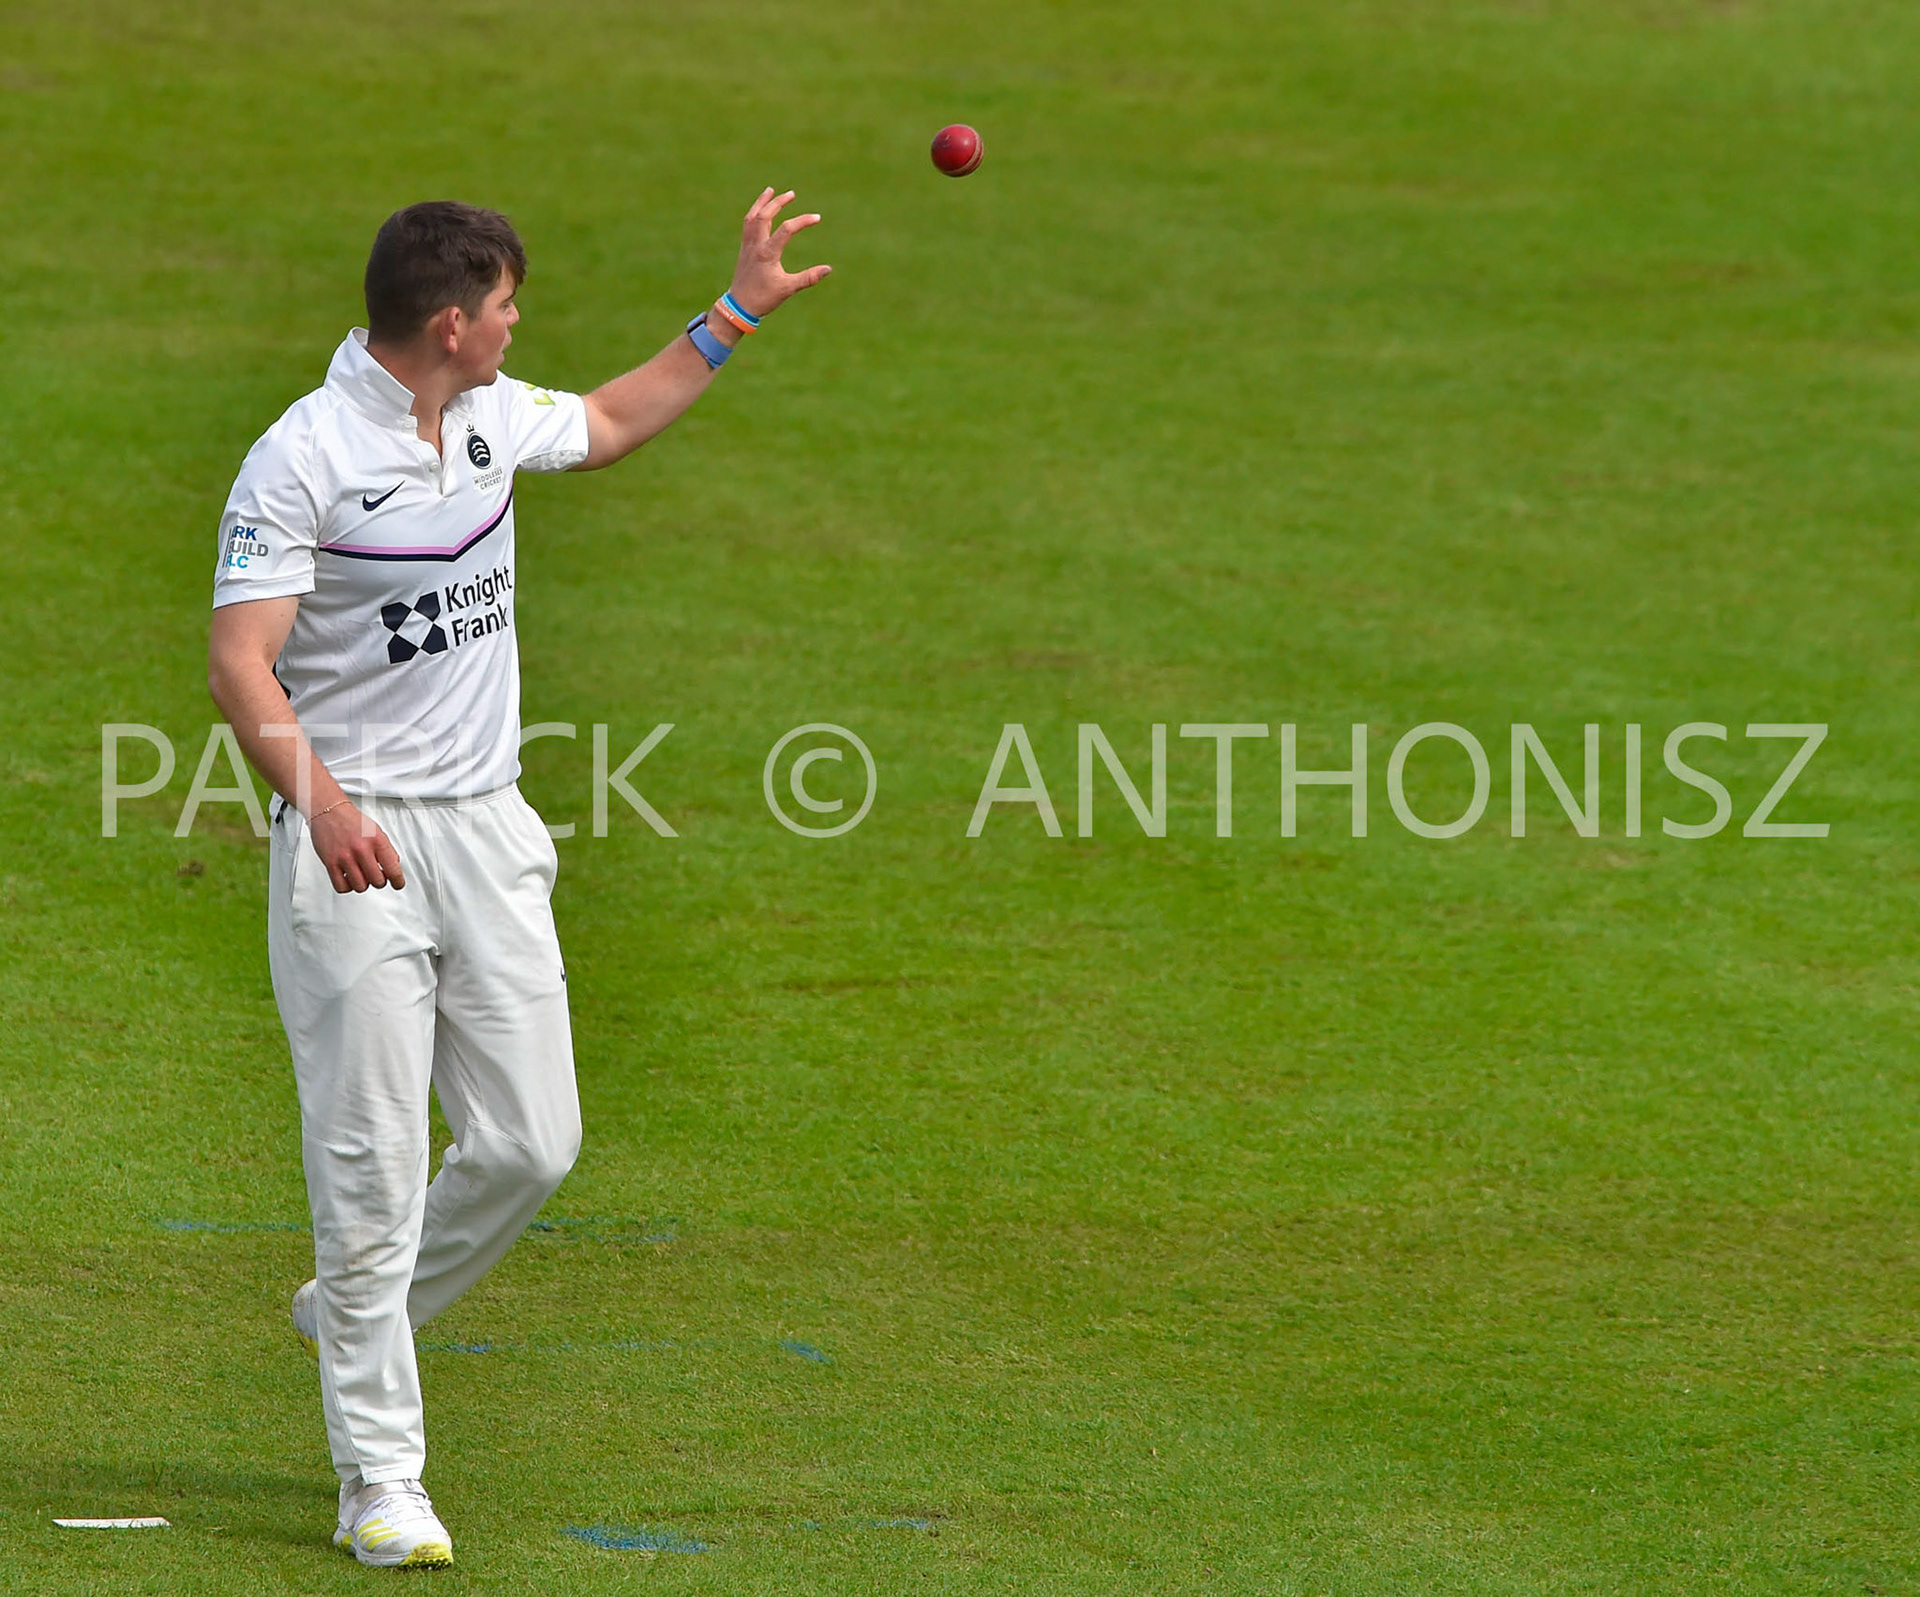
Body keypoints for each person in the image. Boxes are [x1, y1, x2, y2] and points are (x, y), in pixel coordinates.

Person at [206, 191, 829, 1569]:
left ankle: (350, 1310)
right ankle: (382, 1479)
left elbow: (604, 424)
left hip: (487, 832)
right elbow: (240, 661)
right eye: (503, 310)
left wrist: (736, 311)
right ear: (448, 323)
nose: (514, 327)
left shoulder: (483, 417)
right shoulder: (299, 460)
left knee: (533, 1141)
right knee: (367, 1177)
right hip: (354, 850)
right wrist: (322, 807)